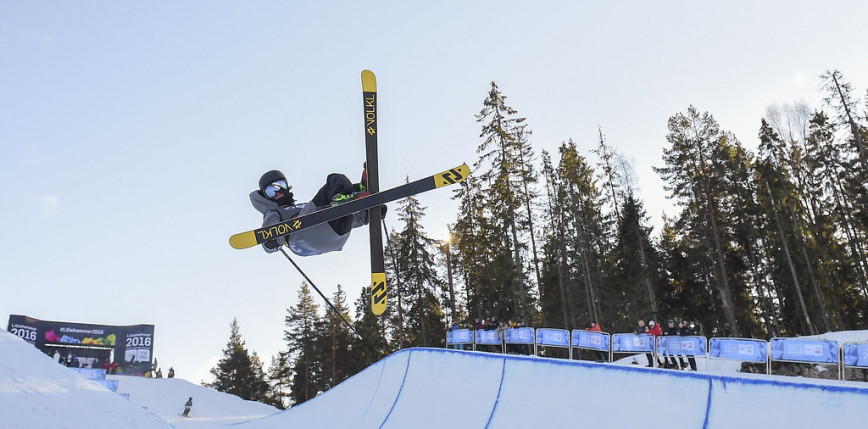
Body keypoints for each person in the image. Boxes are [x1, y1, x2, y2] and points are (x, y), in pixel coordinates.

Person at [250, 168, 384, 256]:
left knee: (341, 210)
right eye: (271, 190)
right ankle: (350, 193)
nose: (278, 192)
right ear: (265, 196)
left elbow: (344, 214)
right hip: (302, 236)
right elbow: (268, 237)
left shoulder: (299, 207)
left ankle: (357, 193)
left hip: (333, 237)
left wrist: (367, 216)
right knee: (335, 180)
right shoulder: (274, 212)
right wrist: (270, 243)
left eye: (281, 186)